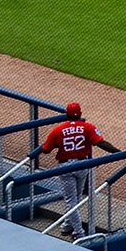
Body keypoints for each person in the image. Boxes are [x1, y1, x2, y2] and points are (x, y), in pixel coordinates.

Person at [41, 102, 118, 239]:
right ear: (81, 114)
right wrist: (117, 152)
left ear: (66, 115)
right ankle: (66, 225)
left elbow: (46, 150)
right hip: (83, 166)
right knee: (75, 198)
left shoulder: (58, 130)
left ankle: (78, 232)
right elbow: (100, 142)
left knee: (71, 200)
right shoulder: (87, 127)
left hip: (65, 168)